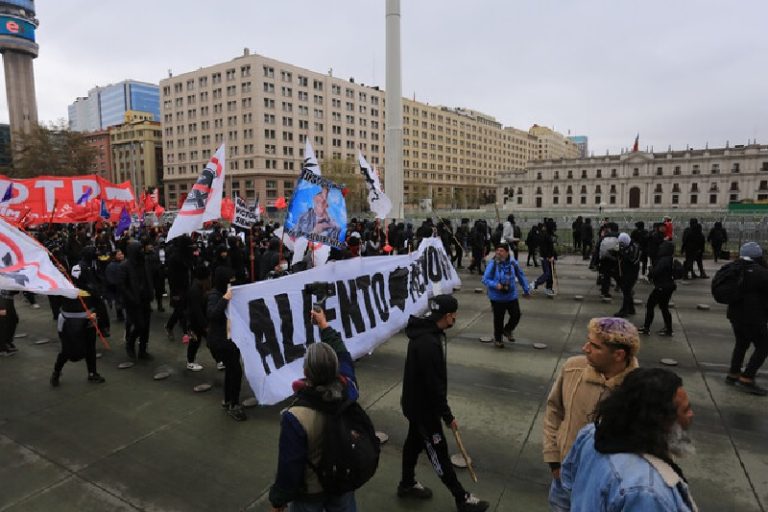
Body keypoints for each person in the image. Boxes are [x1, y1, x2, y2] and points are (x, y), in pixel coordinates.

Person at [398, 294, 489, 512]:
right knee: (438, 451)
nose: (455, 318)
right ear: (448, 316)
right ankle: (461, 497)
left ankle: (407, 483)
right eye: (454, 314)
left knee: (413, 444)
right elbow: (433, 386)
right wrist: (448, 416)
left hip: (414, 404)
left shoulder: (427, 333)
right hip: (423, 410)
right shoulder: (428, 343)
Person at [561, 368, 697, 511]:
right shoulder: (646, 491)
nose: (691, 415)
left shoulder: (590, 434)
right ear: (661, 420)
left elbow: (563, 492)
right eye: (685, 410)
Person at [543, 317, 640, 511]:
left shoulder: (639, 389)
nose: (585, 348)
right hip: (564, 478)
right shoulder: (572, 368)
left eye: (594, 346)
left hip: (605, 488)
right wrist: (554, 460)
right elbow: (554, 410)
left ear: (619, 354)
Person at [268, 307, 359, 512]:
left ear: (306, 371)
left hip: (311, 492)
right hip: (342, 481)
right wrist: (324, 325)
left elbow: (290, 465)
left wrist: (278, 500)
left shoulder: (295, 416)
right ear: (335, 368)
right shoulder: (349, 391)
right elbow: (344, 355)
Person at [50, 266, 106, 387]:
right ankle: (56, 372)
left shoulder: (91, 288)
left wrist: (96, 314)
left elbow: (100, 305)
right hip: (68, 324)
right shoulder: (64, 287)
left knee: (90, 349)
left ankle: (92, 373)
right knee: (66, 350)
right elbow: (55, 299)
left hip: (88, 324)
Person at [725, 242, 768, 396]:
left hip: (735, 315)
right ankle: (747, 377)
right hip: (754, 318)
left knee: (741, 344)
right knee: (763, 346)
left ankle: (733, 373)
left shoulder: (735, 268)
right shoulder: (761, 273)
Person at [208, 266, 247, 420]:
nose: (232, 283)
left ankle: (228, 399)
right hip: (221, 341)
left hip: (231, 339)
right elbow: (212, 314)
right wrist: (225, 299)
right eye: (229, 280)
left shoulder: (230, 292)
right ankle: (233, 404)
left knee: (232, 371)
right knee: (235, 372)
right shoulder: (215, 295)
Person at [481, 242, 531, 348]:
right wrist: (496, 285)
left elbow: (520, 275)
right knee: (498, 319)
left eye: (501, 251)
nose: (498, 253)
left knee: (516, 315)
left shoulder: (513, 263)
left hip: (511, 295)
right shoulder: (493, 263)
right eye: (497, 250)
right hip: (497, 297)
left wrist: (526, 289)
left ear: (507, 252)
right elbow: (485, 279)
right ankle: (498, 339)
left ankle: (508, 330)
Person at [120, 240, 154, 360]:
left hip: (145, 299)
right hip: (133, 301)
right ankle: (130, 343)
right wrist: (131, 297)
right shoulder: (125, 266)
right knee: (140, 325)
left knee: (146, 327)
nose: (141, 251)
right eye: (139, 249)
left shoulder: (144, 262)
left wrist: (151, 292)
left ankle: (143, 350)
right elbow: (123, 286)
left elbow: (148, 278)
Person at [638, 240, 676, 337]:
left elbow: (656, 272)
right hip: (668, 286)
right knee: (664, 307)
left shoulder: (664, 260)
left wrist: (651, 269)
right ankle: (668, 329)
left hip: (662, 286)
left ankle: (646, 328)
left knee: (651, 305)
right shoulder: (670, 259)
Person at [614, 233, 640, 318]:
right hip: (625, 272)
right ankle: (631, 309)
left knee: (626, 291)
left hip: (632, 273)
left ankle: (624, 310)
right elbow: (616, 251)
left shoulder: (634, 247)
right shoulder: (626, 245)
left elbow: (632, 259)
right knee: (627, 290)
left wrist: (622, 253)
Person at [533, 224, 556, 296]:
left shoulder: (546, 235)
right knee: (547, 273)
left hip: (547, 257)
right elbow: (546, 247)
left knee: (550, 274)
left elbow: (550, 247)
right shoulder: (545, 236)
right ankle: (536, 283)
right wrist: (550, 256)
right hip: (546, 258)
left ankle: (548, 288)